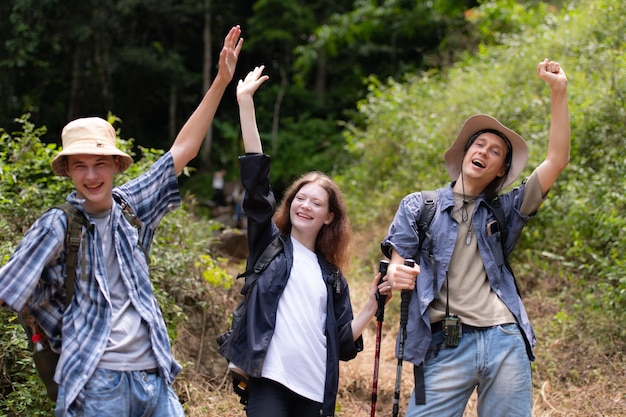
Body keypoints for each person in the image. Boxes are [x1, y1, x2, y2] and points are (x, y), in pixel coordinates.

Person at [0, 25, 243, 417]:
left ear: (115, 165)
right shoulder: (58, 224)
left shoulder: (132, 205)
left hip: (154, 376)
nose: (91, 176)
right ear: (68, 171)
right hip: (97, 382)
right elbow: (8, 284)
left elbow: (183, 149)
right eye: (80, 166)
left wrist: (220, 82)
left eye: (99, 164)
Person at [380, 59, 569, 417]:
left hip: (504, 339)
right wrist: (396, 275)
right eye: (478, 145)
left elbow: (557, 159)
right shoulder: (420, 205)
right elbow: (396, 263)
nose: (483, 151)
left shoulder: (505, 211)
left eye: (494, 151)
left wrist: (558, 91)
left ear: (500, 170)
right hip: (440, 345)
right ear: (465, 153)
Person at [218, 66, 395, 417]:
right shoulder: (269, 245)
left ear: (329, 217)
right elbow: (256, 183)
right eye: (300, 197)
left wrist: (373, 304)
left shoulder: (331, 276)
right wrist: (245, 104)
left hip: (315, 389)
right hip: (269, 379)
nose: (305, 205)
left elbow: (343, 343)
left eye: (317, 202)